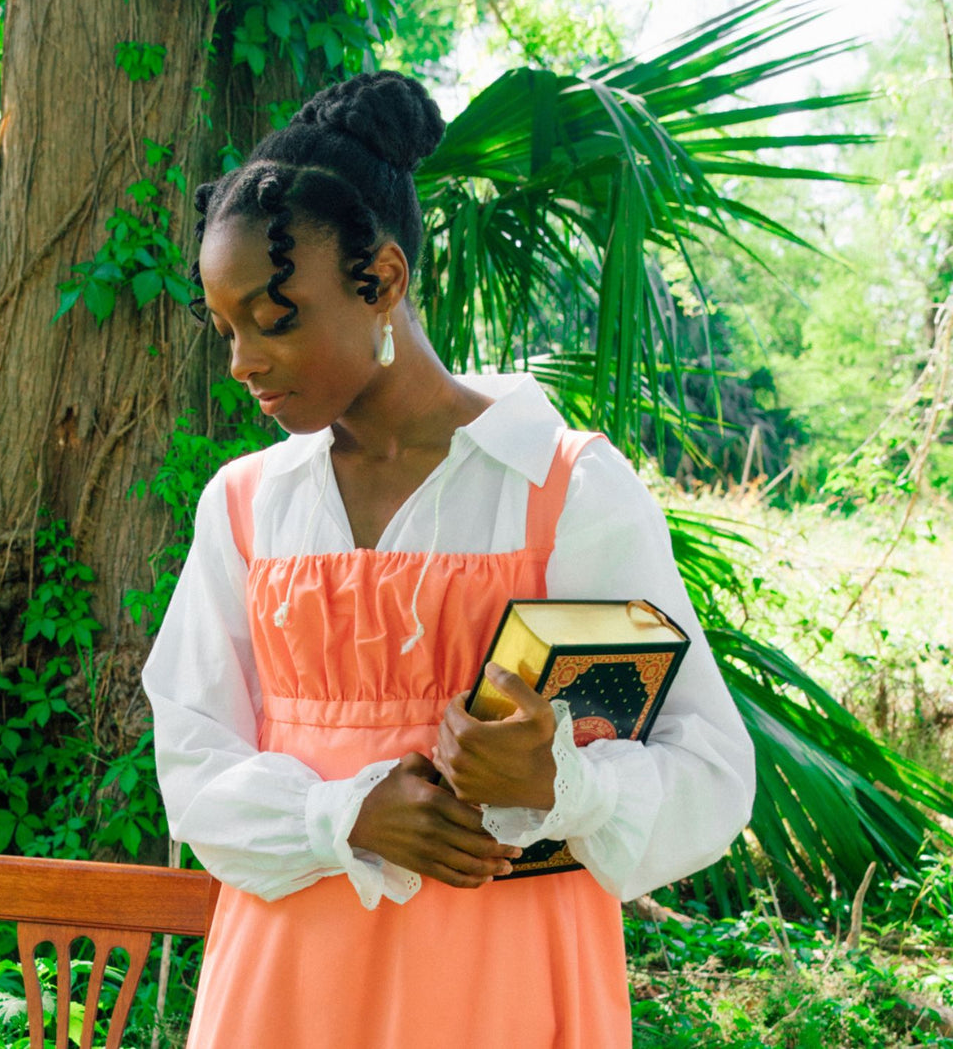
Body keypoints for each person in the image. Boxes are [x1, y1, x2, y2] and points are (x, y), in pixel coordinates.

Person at [141, 70, 754, 1048]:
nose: (241, 361)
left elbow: (712, 772)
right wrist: (340, 817)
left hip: (505, 984)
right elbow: (191, 769)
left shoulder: (567, 491)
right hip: (286, 987)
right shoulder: (247, 507)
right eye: (225, 327)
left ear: (380, 279)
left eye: (273, 315)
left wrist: (562, 784)